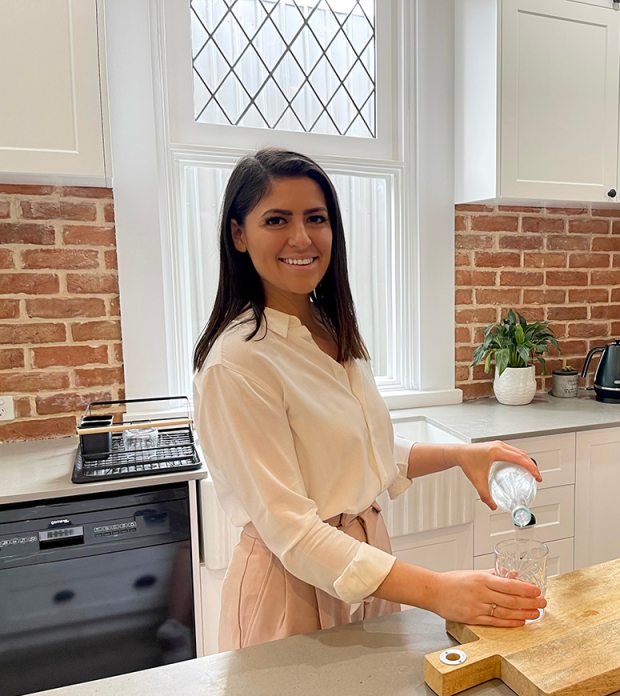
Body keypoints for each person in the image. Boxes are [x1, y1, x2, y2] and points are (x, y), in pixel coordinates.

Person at [192, 148, 546, 651]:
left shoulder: (330, 329)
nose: (302, 237)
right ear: (239, 235)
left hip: (369, 573)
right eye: (277, 220)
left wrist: (460, 455)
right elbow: (294, 535)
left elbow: (357, 450)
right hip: (294, 589)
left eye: (316, 218)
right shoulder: (237, 364)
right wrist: (438, 590)